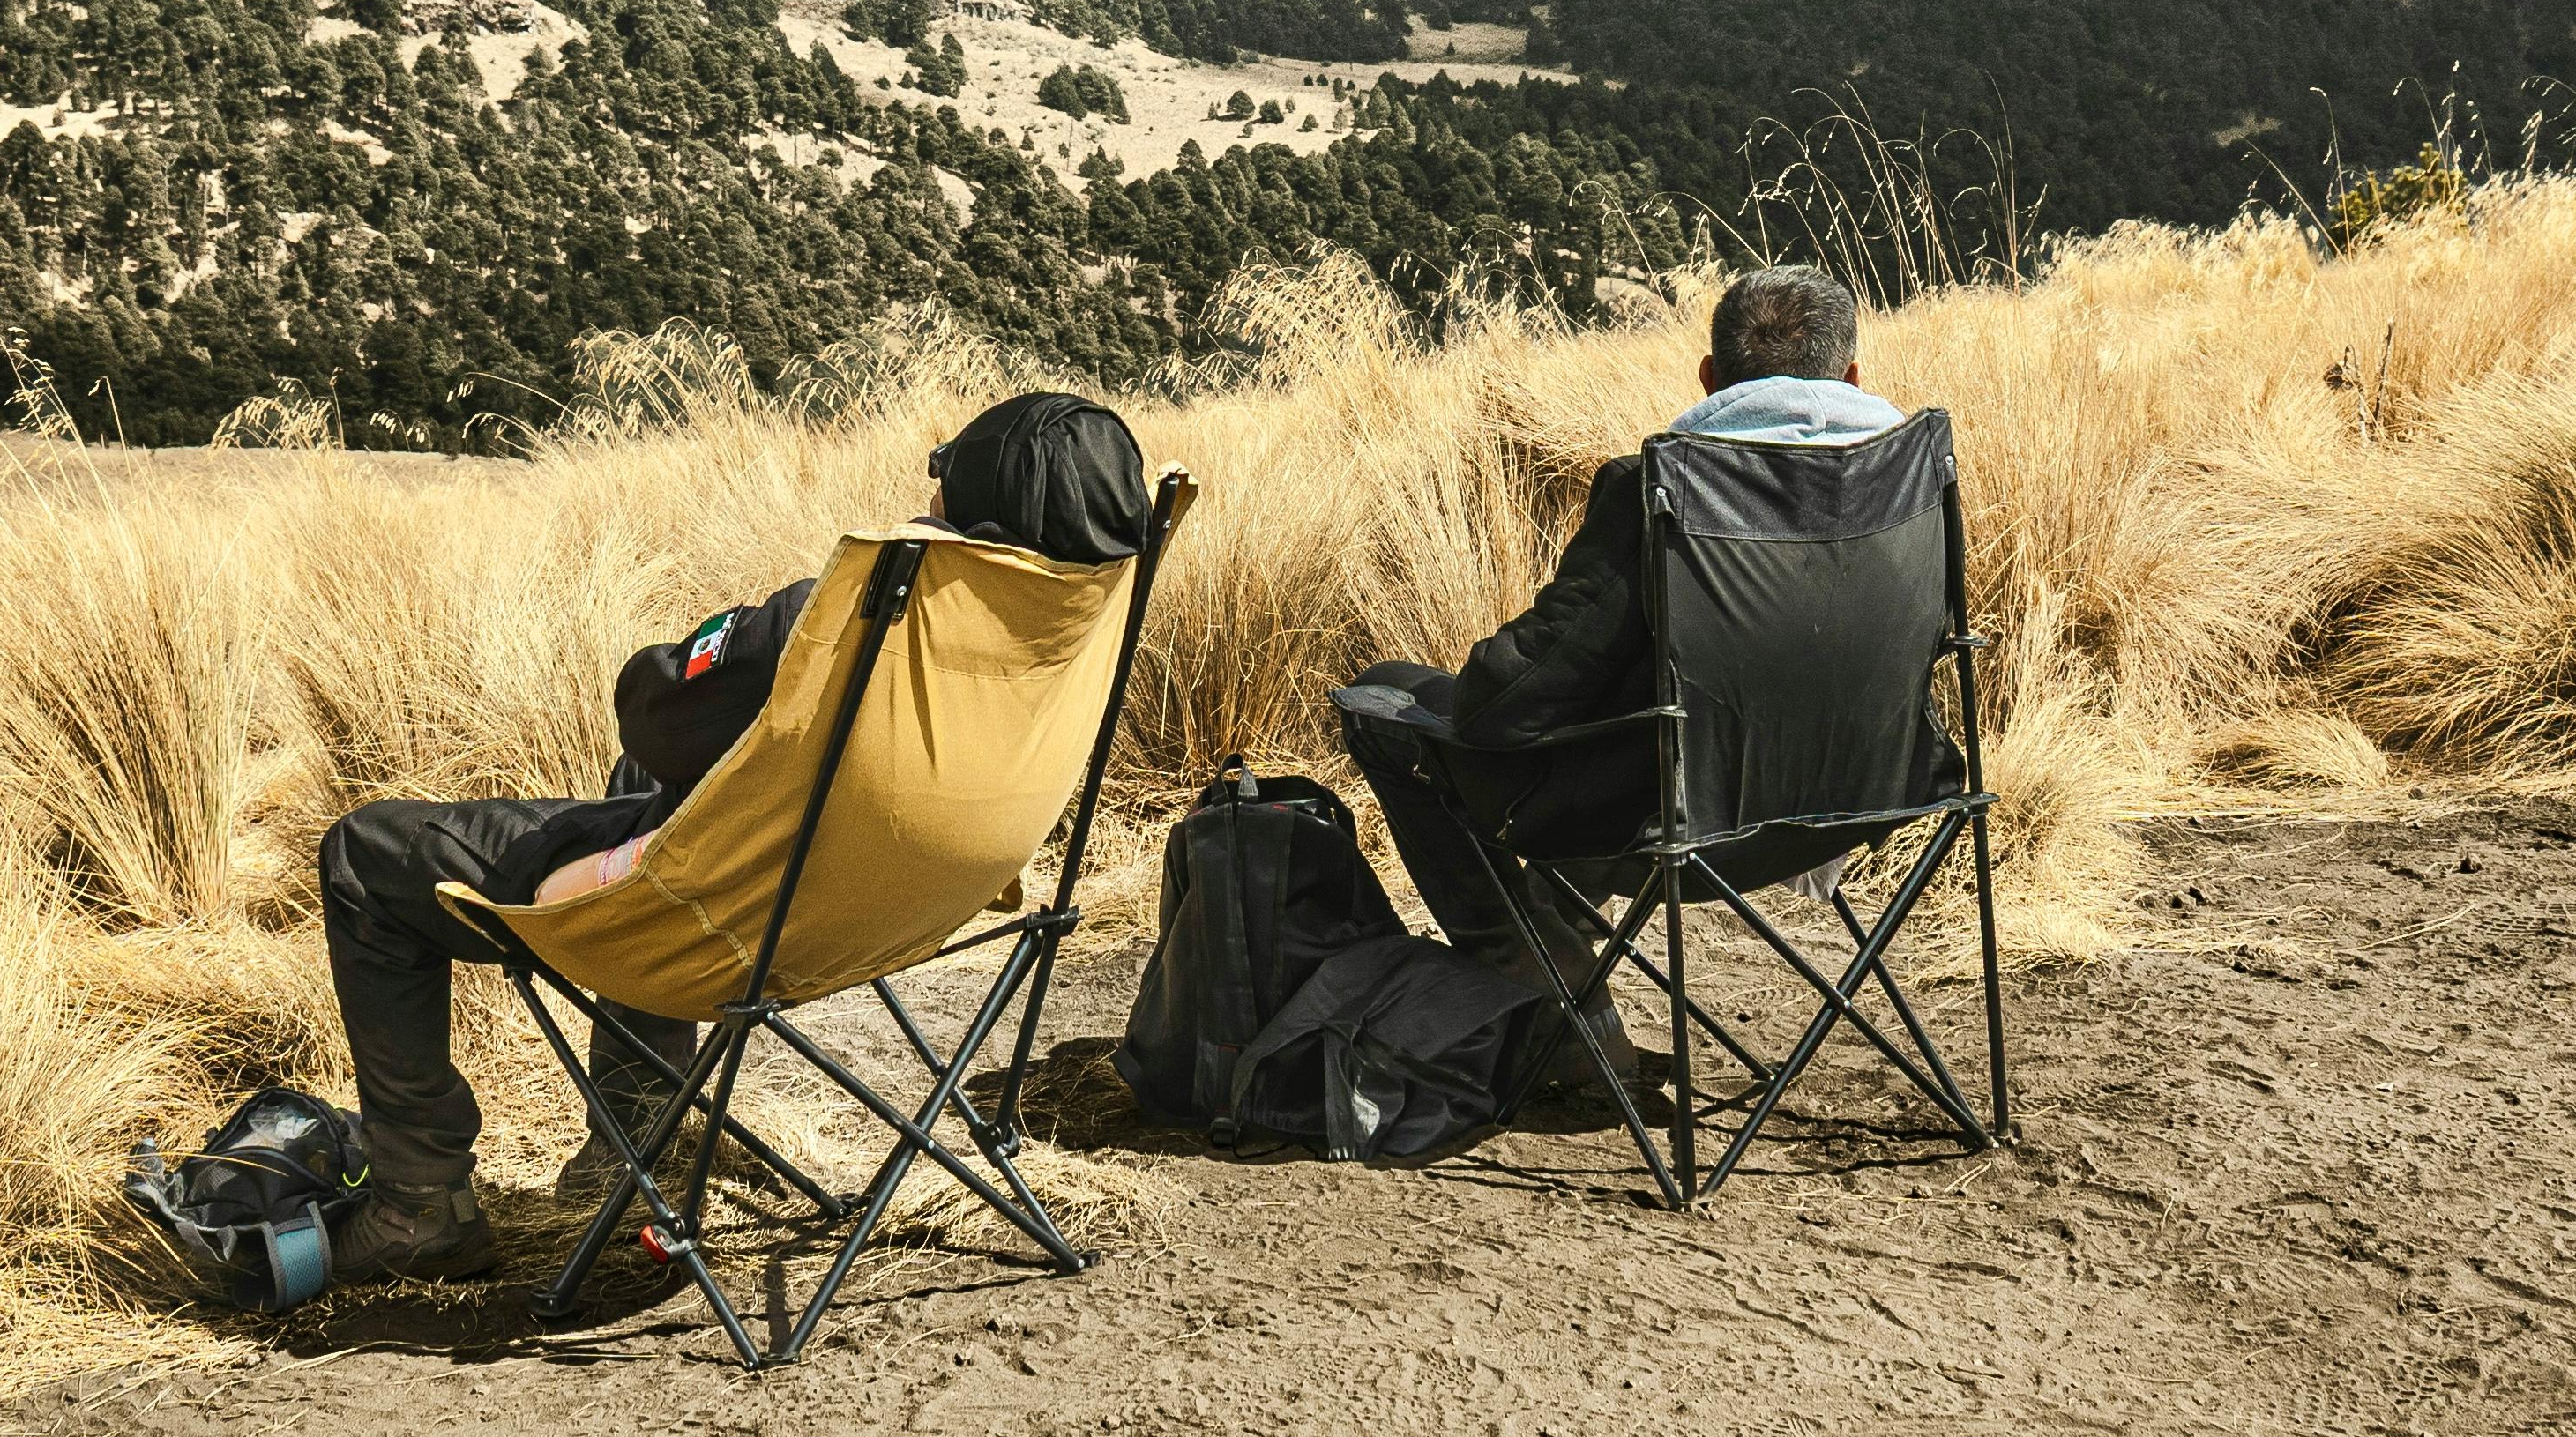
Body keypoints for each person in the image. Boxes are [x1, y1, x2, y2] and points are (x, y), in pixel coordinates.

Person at [310, 390, 1156, 1285]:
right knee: (654, 786)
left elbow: (652, 709)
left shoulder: (870, 608)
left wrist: (763, 632)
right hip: (907, 909)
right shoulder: (1080, 615)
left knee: (363, 855)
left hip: (737, 922)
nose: (930, 485)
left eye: (943, 471)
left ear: (968, 504)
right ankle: (634, 1142)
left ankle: (418, 1201)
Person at [1327, 264, 1894, 1092]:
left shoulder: (1660, 492)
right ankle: (1559, 968)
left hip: (1683, 823)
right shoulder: (1912, 479)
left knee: (1389, 702)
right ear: (1853, 377)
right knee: (1606, 744)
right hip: (1867, 798)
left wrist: (1478, 677)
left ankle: (1552, 1007)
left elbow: (1511, 701)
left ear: (1709, 378)